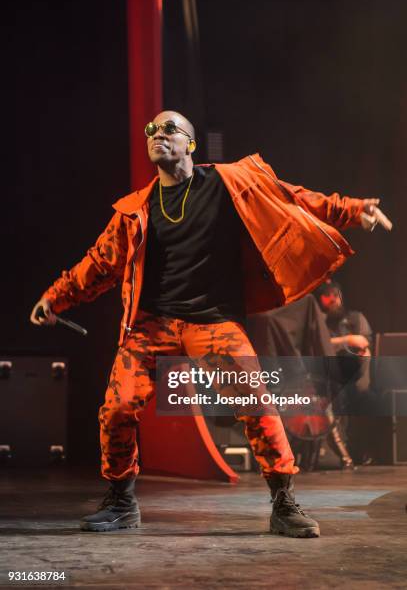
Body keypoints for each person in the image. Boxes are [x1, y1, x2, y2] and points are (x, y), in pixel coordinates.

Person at [30, 110, 382, 538]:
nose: (158, 135)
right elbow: (98, 264)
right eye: (151, 131)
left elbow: (296, 198)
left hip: (212, 322)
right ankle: (122, 502)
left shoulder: (230, 184)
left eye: (169, 129)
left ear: (190, 145)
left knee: (255, 401)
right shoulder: (136, 210)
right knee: (118, 407)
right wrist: (55, 297)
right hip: (151, 324)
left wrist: (352, 209)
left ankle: (283, 502)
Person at [315, 279, 376, 464]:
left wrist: (339, 342)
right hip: (329, 376)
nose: (332, 299)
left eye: (335, 294)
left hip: (355, 375)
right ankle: (341, 455)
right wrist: (348, 340)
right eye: (327, 295)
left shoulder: (355, 317)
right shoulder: (318, 322)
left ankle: (360, 452)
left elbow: (363, 342)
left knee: (362, 396)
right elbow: (317, 346)